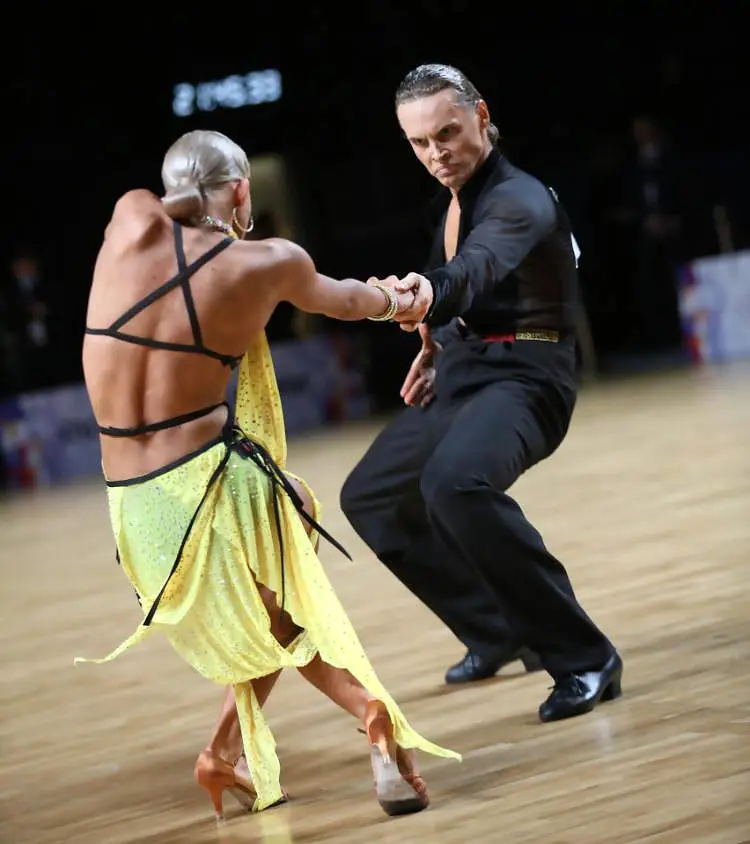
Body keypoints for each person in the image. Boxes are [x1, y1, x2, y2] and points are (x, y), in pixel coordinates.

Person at [74, 129, 460, 820]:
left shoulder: (130, 216)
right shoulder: (264, 263)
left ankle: (224, 753)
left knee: (280, 585)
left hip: (132, 515)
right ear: (244, 190)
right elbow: (347, 300)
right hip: (203, 491)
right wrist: (407, 304)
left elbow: (162, 208)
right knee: (287, 581)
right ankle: (369, 714)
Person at [340, 64, 623, 721]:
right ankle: (499, 631)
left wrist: (427, 295)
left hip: (529, 376)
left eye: (446, 133)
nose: (435, 154)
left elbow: (475, 269)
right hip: (469, 371)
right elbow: (466, 293)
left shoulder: (519, 199)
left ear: (481, 115)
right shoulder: (455, 199)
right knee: (373, 497)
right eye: (419, 143)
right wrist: (436, 346)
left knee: (455, 484)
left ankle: (584, 657)